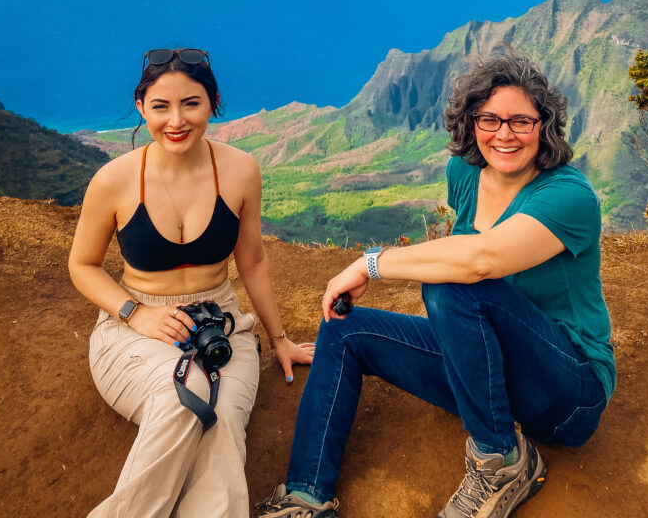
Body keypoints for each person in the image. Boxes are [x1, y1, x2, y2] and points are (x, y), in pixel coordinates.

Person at [255, 47, 615, 518]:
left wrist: (370, 264)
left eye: (521, 122)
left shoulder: (568, 195)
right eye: (489, 119)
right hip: (492, 375)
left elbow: (479, 261)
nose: (504, 134)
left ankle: (502, 463)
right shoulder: (463, 173)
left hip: (567, 391)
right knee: (343, 329)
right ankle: (305, 497)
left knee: (452, 283)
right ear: (471, 123)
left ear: (543, 125)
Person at [69, 48, 315, 518]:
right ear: (141, 107)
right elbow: (82, 265)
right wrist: (135, 313)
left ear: (214, 102)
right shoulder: (114, 180)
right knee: (183, 398)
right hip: (133, 326)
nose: (176, 120)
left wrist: (278, 338)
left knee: (221, 424)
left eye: (192, 103)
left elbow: (254, 261)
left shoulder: (241, 171)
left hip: (219, 321)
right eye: (161, 106)